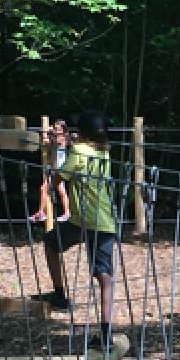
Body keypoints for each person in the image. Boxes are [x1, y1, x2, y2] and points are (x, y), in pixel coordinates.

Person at [34, 110, 117, 347]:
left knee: (51, 243)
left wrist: (63, 149)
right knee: (105, 277)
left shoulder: (78, 152)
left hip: (82, 221)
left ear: (80, 133)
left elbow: (61, 177)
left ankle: (60, 295)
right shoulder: (104, 153)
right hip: (105, 220)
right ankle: (106, 333)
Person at [29, 119, 71, 223]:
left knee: (45, 189)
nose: (56, 130)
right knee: (59, 191)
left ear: (62, 130)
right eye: (55, 128)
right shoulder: (54, 138)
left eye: (58, 129)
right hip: (54, 168)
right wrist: (46, 132)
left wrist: (47, 132)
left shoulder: (63, 138)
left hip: (60, 168)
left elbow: (53, 142)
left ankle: (43, 212)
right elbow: (47, 144)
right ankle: (64, 213)